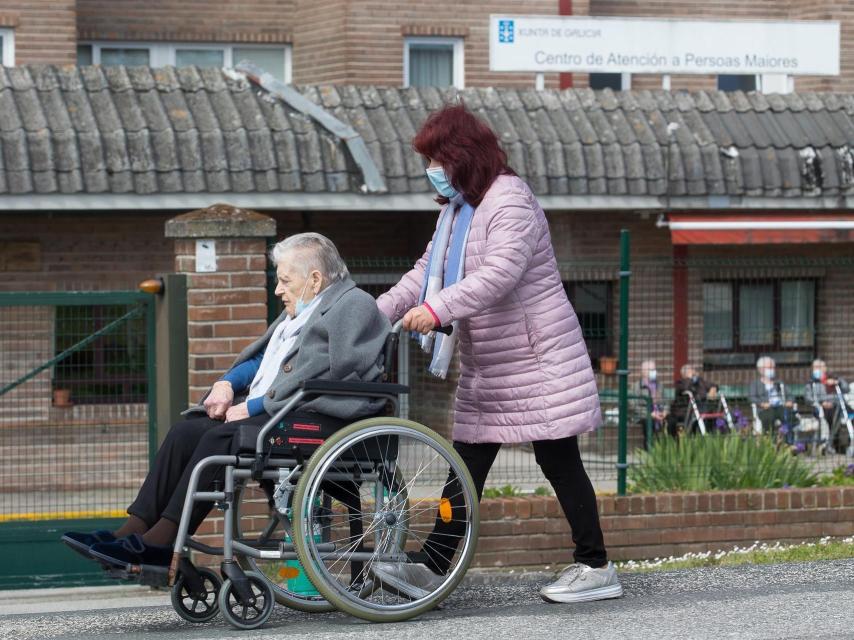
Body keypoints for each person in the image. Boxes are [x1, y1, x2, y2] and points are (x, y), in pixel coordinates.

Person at [371, 104, 622, 604]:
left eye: (436, 160)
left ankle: (596, 567)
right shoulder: (457, 210)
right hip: (491, 363)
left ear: (460, 156)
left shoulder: (511, 201)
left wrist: (436, 309)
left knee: (559, 459)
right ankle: (435, 564)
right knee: (465, 464)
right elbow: (425, 271)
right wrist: (371, 315)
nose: (432, 172)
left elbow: (499, 275)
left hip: (537, 358)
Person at [61, 233, 390, 567]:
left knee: (220, 437)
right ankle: (134, 529)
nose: (278, 290)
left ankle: (162, 542)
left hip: (319, 418)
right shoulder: (301, 312)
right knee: (185, 432)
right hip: (282, 412)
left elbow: (333, 374)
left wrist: (256, 406)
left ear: (315, 279)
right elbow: (263, 360)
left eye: (285, 280)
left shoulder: (354, 304)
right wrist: (227, 384)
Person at [805, 359, 851, 451]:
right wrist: (821, 403)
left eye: (820, 367)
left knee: (838, 417)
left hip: (835, 407)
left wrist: (838, 382)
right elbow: (808, 398)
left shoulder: (833, 378)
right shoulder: (811, 383)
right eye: (815, 367)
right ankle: (826, 444)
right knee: (824, 418)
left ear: (825, 368)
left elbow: (847, 389)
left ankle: (831, 444)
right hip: (820, 408)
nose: (817, 370)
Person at [748, 356, 798, 438]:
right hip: (766, 409)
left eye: (773, 367)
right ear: (761, 369)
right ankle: (769, 440)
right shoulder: (755, 384)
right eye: (769, 367)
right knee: (769, 417)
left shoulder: (779, 382)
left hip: (781, 407)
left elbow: (790, 395)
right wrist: (761, 404)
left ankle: (789, 440)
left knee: (789, 417)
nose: (772, 370)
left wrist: (790, 401)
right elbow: (751, 398)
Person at [666, 364, 718, 436]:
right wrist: (689, 379)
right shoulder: (680, 383)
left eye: (693, 371)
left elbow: (712, 385)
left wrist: (713, 388)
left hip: (702, 408)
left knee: (712, 415)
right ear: (684, 374)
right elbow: (685, 388)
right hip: (686, 410)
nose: (694, 373)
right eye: (691, 372)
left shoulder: (699, 381)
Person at [638, 360, 667, 448]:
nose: (654, 372)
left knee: (672, 421)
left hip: (660, 412)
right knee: (649, 422)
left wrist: (665, 411)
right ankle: (649, 449)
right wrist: (650, 414)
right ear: (644, 372)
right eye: (651, 370)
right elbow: (634, 405)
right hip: (645, 414)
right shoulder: (637, 386)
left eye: (654, 369)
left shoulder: (660, 385)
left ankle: (669, 448)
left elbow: (666, 401)